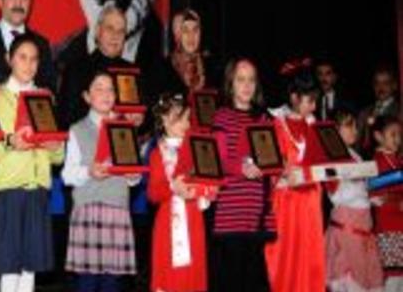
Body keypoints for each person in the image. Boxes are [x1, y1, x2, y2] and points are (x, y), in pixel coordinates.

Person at [0, 33, 65, 292]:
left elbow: (57, 158)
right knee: (10, 267)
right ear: (9, 59)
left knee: (30, 268)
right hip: (10, 190)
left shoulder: (44, 99)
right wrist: (11, 142)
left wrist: (56, 146)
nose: (28, 64)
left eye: (34, 59)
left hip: (38, 189)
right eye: (22, 57)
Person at [62, 71, 140, 291]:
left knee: (112, 283)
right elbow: (67, 175)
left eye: (110, 89)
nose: (106, 94)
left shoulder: (124, 129)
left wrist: (132, 174)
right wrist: (90, 171)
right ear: (87, 96)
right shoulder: (77, 129)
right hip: (88, 211)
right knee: (87, 282)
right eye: (99, 88)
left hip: (117, 210)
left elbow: (135, 178)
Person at [208, 58, 275, 292]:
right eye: (240, 79)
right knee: (232, 282)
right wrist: (242, 168)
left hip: (257, 216)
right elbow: (217, 162)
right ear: (230, 83)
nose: (246, 85)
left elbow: (272, 162)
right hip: (230, 217)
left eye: (251, 80)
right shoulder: (222, 117)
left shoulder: (265, 118)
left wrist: (279, 166)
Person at [264, 66, 325, 292]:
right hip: (286, 205)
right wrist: (281, 170)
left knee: (310, 257)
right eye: (309, 100)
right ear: (294, 97)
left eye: (315, 101)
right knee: (286, 257)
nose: (313, 106)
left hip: (310, 205)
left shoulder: (315, 126)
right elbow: (269, 165)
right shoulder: (277, 125)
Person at [148, 93, 215, 292]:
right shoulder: (157, 153)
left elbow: (211, 182)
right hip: (168, 223)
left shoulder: (198, 149)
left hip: (194, 218)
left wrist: (201, 191)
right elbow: (153, 193)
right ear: (165, 120)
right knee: (170, 275)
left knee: (193, 272)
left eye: (188, 118)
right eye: (182, 118)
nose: (187, 124)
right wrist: (172, 188)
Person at [324, 110, 384, 292]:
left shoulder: (355, 156)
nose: (355, 131)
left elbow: (361, 188)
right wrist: (364, 193)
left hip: (363, 228)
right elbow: (336, 196)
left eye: (356, 126)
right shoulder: (329, 158)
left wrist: (371, 196)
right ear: (334, 130)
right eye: (349, 126)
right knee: (349, 281)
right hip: (347, 231)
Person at [370, 116, 403, 292]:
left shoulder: (397, 160)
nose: (398, 139)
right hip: (388, 228)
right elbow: (377, 198)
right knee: (392, 280)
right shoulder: (376, 163)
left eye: (399, 134)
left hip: (400, 227)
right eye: (393, 134)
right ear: (378, 136)